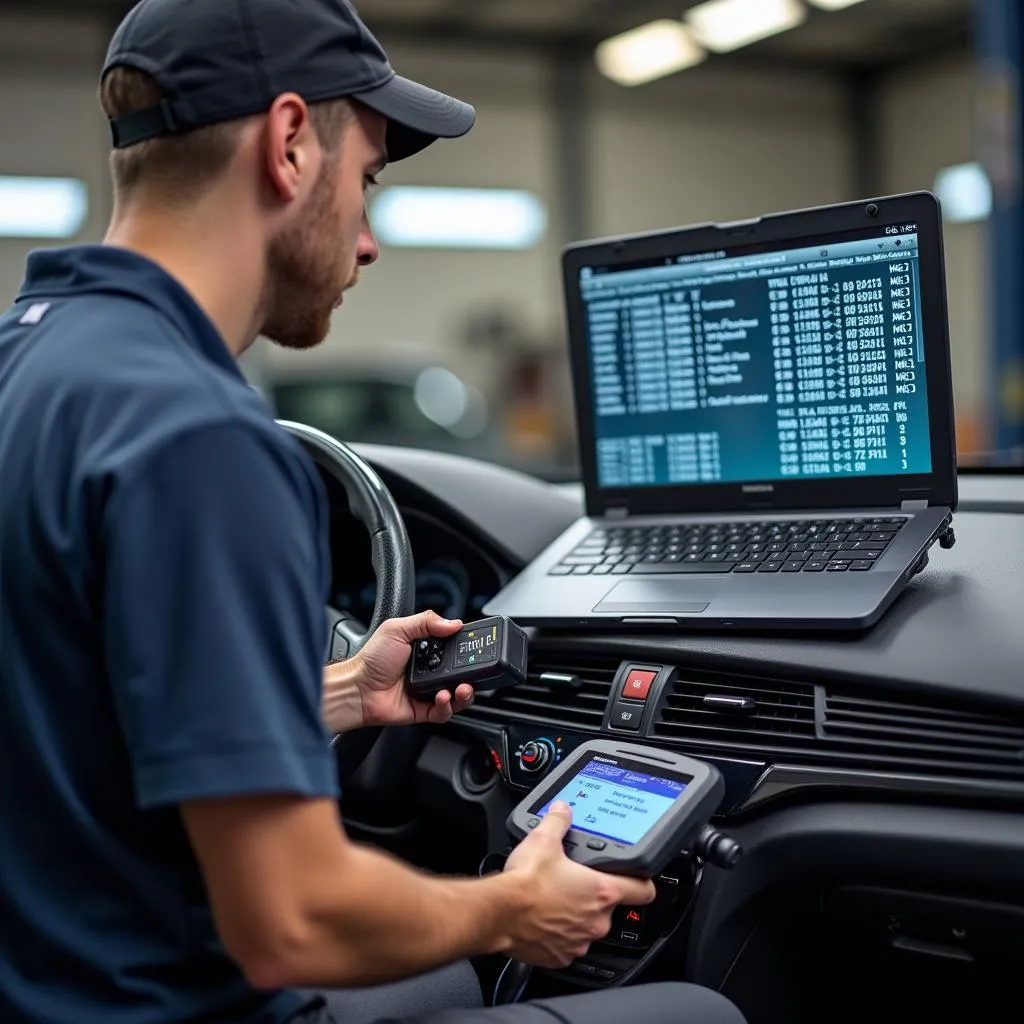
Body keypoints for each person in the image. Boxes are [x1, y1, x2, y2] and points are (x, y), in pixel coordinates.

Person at [0, 2, 748, 1023]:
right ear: (291, 142)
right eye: (370, 181)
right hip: (176, 1002)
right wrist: (511, 909)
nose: (368, 240)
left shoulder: (32, 362)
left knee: (436, 981)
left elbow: (83, 717)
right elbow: (292, 921)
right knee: (699, 1013)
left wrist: (346, 690)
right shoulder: (203, 440)